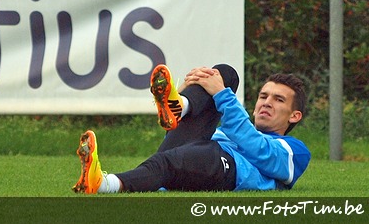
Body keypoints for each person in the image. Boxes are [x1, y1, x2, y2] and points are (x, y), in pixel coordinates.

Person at [72, 63, 311, 193]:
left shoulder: (295, 150)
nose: (266, 102)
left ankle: (103, 183)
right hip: (207, 155)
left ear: (295, 116)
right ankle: (179, 105)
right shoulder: (225, 133)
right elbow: (182, 148)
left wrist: (222, 95)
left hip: (230, 169)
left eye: (278, 100)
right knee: (226, 73)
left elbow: (258, 149)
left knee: (168, 162)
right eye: (263, 96)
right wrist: (191, 94)